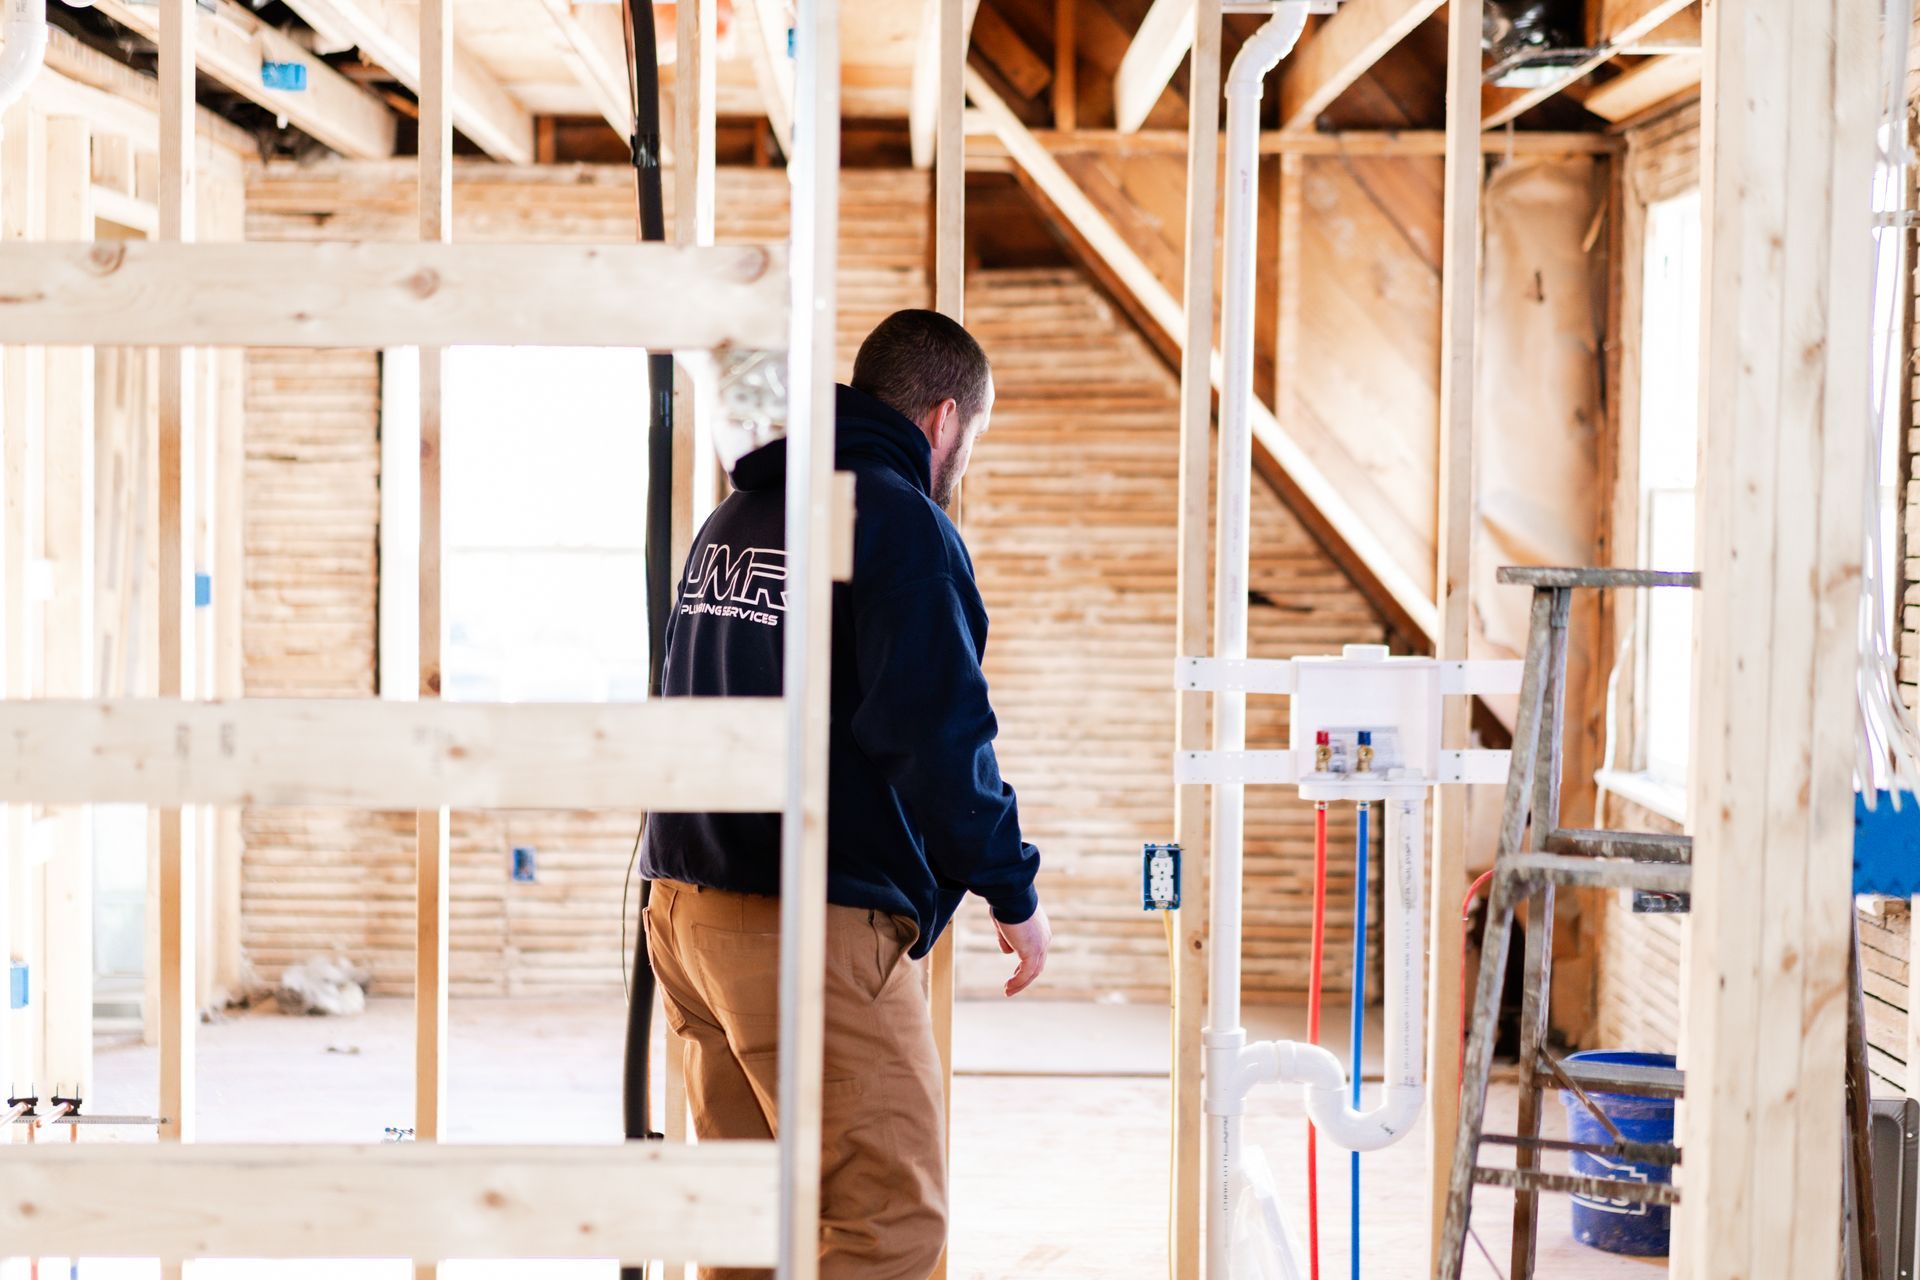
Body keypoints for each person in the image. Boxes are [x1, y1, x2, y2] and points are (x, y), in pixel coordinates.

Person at [641, 308, 1051, 1280]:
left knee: (749, 1219)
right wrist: (1013, 887)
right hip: (809, 922)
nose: (964, 459)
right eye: (973, 440)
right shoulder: (897, 519)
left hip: (685, 912)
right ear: (945, 418)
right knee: (888, 1218)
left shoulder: (739, 516)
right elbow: (936, 729)